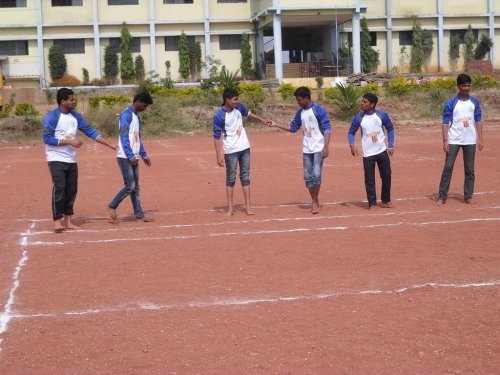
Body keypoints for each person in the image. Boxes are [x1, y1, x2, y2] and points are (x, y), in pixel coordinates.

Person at [43, 87, 116, 233]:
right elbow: (47, 138)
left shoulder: (76, 116)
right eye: (71, 99)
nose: (73, 101)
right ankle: (57, 221)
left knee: (71, 190)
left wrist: (108, 144)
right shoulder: (52, 116)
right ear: (63, 101)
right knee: (60, 188)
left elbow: (89, 131)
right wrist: (69, 142)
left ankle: (68, 221)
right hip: (55, 158)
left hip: (71, 159)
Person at [269, 86, 331, 214]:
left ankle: (314, 202)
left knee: (317, 175)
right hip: (307, 149)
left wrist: (326, 147)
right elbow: (293, 128)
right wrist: (276, 124)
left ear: (306, 98)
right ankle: (315, 200)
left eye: (299, 100)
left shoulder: (319, 110)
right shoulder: (300, 113)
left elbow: (327, 129)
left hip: (319, 148)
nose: (298, 102)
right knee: (308, 177)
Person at [213, 88, 272, 216]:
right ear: (227, 100)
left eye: (237, 99)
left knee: (245, 177)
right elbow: (216, 137)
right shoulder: (219, 116)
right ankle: (230, 209)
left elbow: (249, 114)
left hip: (245, 148)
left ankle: (248, 208)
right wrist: (219, 155)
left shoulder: (239, 107)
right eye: (234, 99)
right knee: (231, 178)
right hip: (231, 151)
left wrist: (262, 120)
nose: (237, 101)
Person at [437, 73, 484, 205]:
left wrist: (480, 138)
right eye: (464, 86)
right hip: (454, 140)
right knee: (448, 167)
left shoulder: (474, 102)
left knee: (469, 169)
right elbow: (445, 122)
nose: (466, 88)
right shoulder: (451, 102)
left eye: (468, 85)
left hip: (470, 140)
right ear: (458, 86)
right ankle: (442, 196)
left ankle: (468, 196)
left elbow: (478, 120)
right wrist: (445, 140)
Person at [107, 91, 154, 221]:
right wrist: (130, 156)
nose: (145, 108)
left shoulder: (136, 116)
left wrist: (143, 155)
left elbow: (137, 138)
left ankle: (139, 214)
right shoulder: (126, 115)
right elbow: (123, 136)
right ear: (138, 101)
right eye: (145, 105)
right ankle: (112, 205)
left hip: (134, 156)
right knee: (130, 186)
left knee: (136, 187)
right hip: (125, 157)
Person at [348, 92, 395, 209]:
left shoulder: (382, 115)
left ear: (372, 104)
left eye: (365, 102)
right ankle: (372, 203)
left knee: (387, 176)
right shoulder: (359, 118)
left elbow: (390, 128)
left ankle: (386, 200)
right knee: (370, 179)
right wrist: (352, 145)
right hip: (368, 154)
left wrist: (391, 145)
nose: (362, 103)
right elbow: (351, 132)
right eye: (362, 101)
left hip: (382, 150)